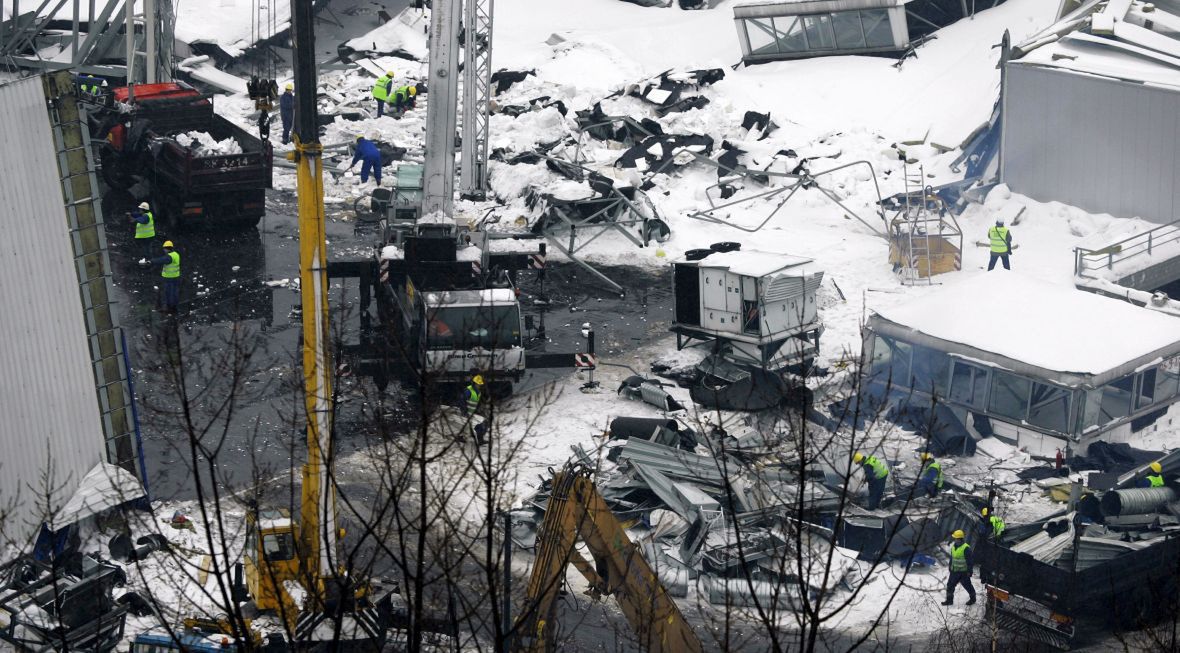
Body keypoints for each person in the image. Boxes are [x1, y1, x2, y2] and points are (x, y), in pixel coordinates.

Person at [141, 240, 181, 314]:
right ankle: (174, 308)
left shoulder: (169, 257)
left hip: (169, 278)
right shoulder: (176, 254)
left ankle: (170, 308)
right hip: (176, 277)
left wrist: (151, 261)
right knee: (174, 293)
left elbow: (161, 260)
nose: (164, 250)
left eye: (164, 249)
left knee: (169, 293)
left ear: (167, 249)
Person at [943, 530, 976, 606]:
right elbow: (952, 558)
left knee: (967, 586)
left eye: (956, 538)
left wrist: (969, 571)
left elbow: (970, 561)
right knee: (950, 586)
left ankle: (973, 598)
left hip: (963, 572)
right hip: (954, 571)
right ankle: (949, 600)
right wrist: (950, 566)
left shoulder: (966, 548)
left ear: (960, 539)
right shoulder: (953, 547)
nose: (954, 539)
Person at [463, 374, 488, 445]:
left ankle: (480, 440)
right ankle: (463, 437)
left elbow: (477, 402)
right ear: (474, 383)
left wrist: (479, 409)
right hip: (468, 412)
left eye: (480, 384)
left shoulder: (478, 391)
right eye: (478, 384)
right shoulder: (468, 391)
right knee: (469, 427)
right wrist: (464, 411)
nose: (479, 386)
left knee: (481, 424)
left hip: (473, 412)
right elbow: (462, 401)